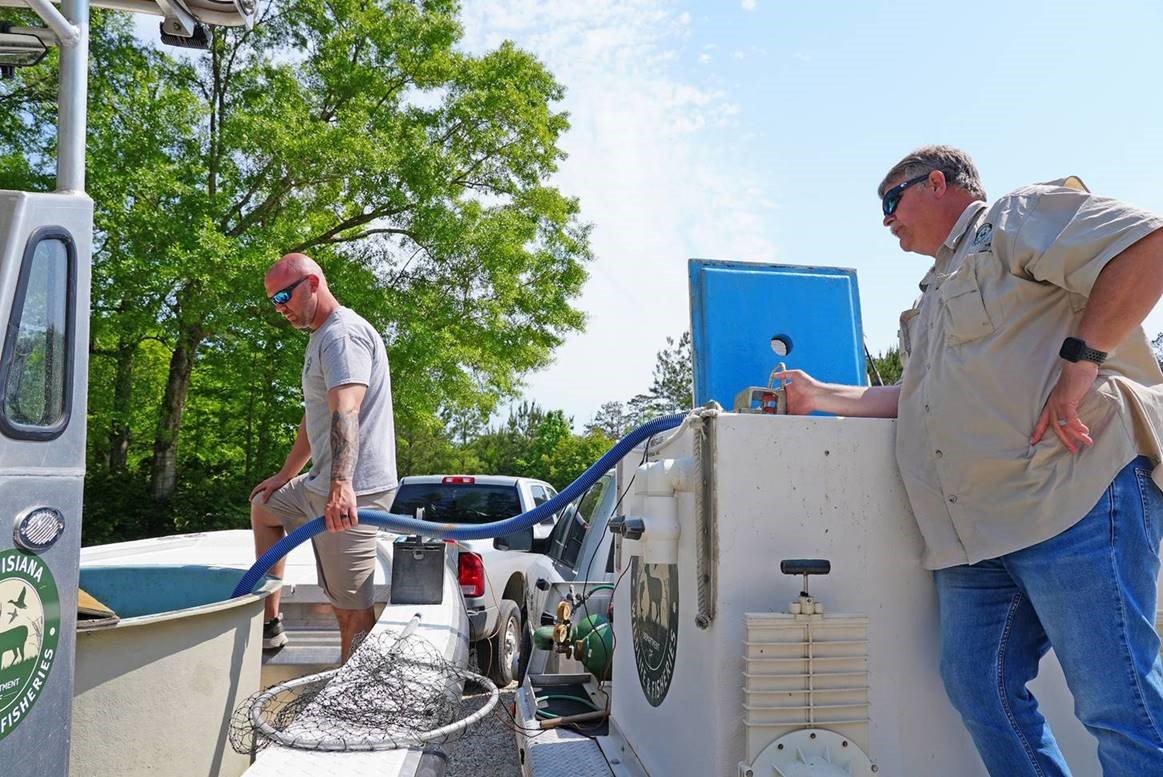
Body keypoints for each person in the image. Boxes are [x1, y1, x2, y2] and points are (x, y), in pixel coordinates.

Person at [776, 146, 1163, 775]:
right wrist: (820, 395)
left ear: (936, 183)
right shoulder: (931, 296)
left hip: (1072, 495)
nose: (886, 221)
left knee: (1118, 705)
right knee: (978, 687)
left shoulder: (1013, 219)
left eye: (890, 201)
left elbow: (1148, 245)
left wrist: (1080, 362)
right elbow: (923, 399)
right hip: (972, 534)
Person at [250, 252, 398, 663]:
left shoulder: (341, 336)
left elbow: (345, 411)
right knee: (264, 506)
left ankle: (355, 701)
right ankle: (271, 625)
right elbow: (316, 413)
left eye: (284, 295)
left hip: (355, 492)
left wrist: (341, 486)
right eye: (273, 301)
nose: (280, 308)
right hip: (321, 483)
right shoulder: (320, 335)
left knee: (351, 611)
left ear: (312, 284)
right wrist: (285, 474)